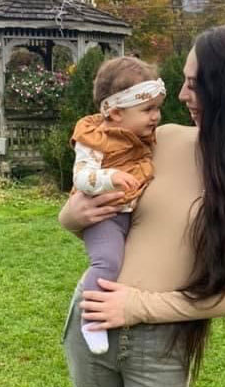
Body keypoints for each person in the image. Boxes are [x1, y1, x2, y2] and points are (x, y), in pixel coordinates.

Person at [59, 23, 225, 387]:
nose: (183, 94)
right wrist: (72, 213)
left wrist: (138, 306)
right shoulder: (164, 139)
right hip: (91, 319)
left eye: (193, 83)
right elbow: (96, 218)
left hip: (162, 345)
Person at [70, 57, 166, 354]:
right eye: (147, 109)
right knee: (107, 261)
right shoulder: (94, 138)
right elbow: (82, 177)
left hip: (128, 214)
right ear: (114, 112)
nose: (156, 117)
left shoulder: (144, 136)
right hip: (105, 216)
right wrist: (110, 177)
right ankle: (91, 320)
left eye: (157, 108)